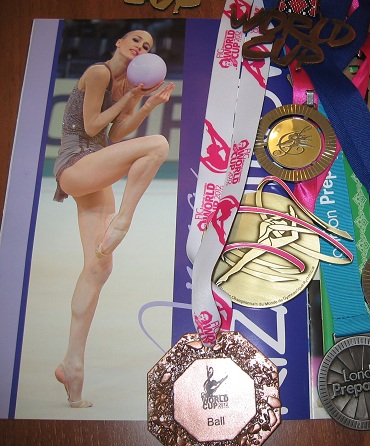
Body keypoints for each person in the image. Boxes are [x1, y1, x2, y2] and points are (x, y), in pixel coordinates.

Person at [52, 29, 175, 407]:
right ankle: (124, 218)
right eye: (136, 40)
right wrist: (130, 97)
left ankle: (72, 366)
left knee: (99, 266)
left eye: (148, 46)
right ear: (120, 43)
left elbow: (116, 134)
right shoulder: (99, 73)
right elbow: (92, 127)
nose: (141, 47)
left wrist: (145, 104)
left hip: (93, 166)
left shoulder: (123, 85)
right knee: (158, 145)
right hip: (76, 163)